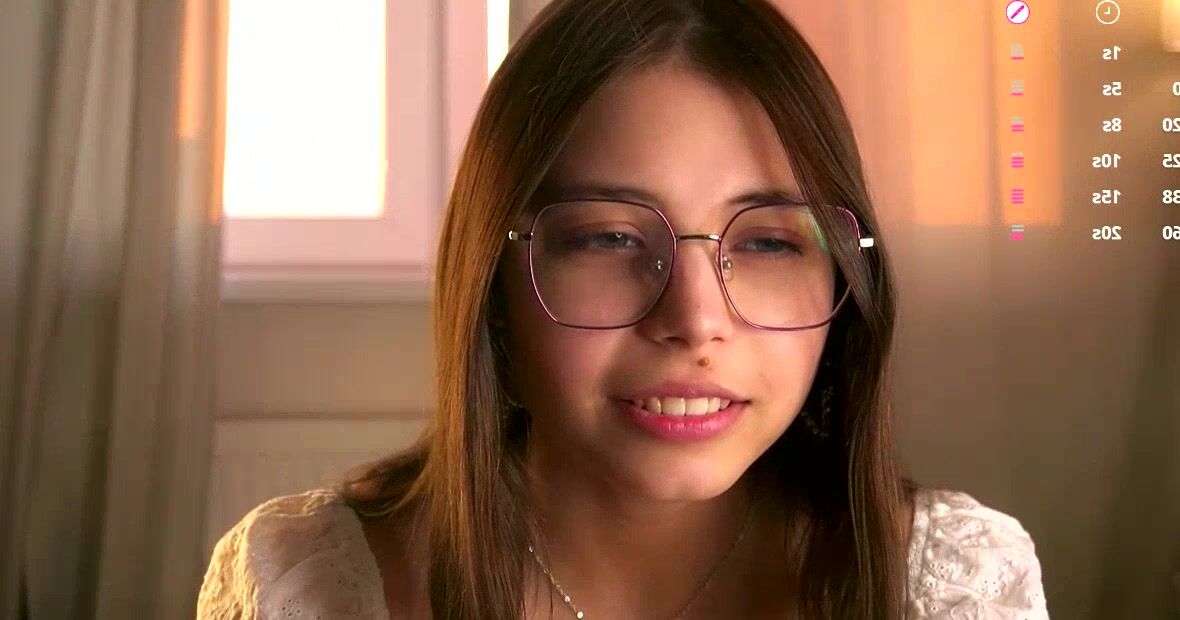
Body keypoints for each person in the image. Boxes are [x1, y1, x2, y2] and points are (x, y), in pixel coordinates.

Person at [197, 0, 1049, 617]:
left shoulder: (953, 586)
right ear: (493, 282)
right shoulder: (305, 583)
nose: (696, 319)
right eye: (608, 238)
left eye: (767, 242)